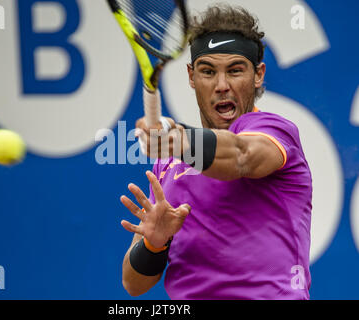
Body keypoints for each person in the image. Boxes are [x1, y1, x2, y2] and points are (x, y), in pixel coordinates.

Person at [119, 3, 312, 300]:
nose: (222, 85)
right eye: (208, 71)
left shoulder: (275, 130)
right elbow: (133, 285)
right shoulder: (168, 163)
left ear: (258, 75)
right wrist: (154, 244)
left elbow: (241, 156)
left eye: (235, 71)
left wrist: (179, 138)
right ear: (191, 76)